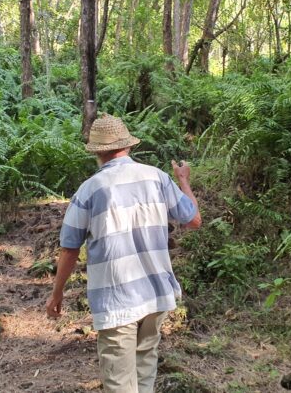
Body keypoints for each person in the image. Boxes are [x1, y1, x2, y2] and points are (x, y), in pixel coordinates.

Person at [46, 114, 202, 393]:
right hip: (156, 297)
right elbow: (193, 220)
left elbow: (70, 247)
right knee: (144, 377)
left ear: (97, 151)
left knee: (119, 384)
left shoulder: (90, 190)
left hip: (117, 302)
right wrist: (183, 180)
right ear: (127, 146)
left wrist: (57, 293)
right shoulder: (158, 177)